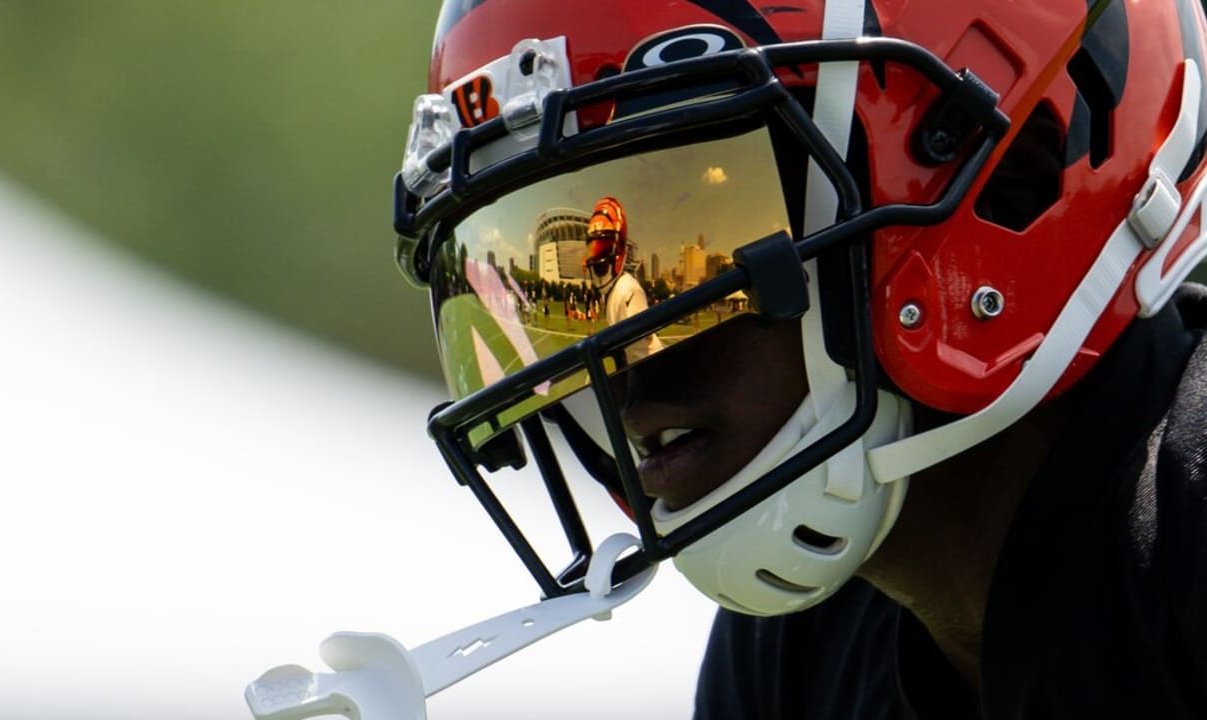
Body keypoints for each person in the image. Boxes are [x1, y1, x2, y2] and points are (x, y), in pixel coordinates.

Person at [392, 0, 1207, 716]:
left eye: (683, 253)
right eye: (555, 298)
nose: (622, 383)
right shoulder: (791, 657)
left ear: (1014, 179)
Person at [583, 196, 664, 362]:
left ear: (618, 248)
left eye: (602, 247)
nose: (596, 256)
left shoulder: (627, 291)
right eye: (593, 249)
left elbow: (643, 358)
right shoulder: (614, 290)